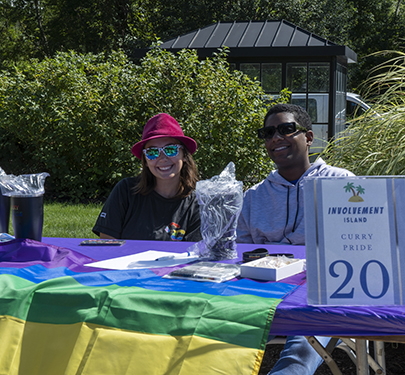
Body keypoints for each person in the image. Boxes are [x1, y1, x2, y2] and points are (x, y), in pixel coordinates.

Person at [237, 103, 354, 374]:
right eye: (268, 133)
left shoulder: (342, 184)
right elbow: (242, 252)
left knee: (298, 357)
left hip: (321, 291)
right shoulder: (254, 196)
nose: (276, 138)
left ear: (309, 138)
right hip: (261, 291)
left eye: (286, 129)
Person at [92, 113, 202, 242]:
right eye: (152, 152)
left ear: (184, 155)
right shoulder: (126, 191)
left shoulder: (199, 202)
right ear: (145, 160)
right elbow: (107, 242)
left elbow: (195, 253)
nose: (162, 158)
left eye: (171, 149)